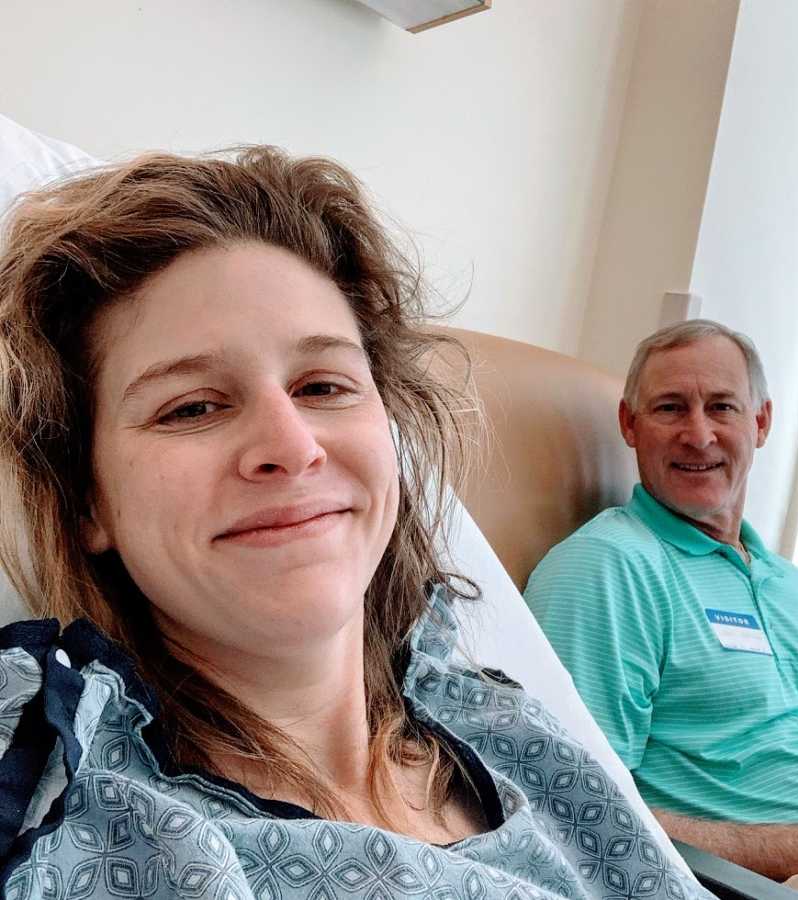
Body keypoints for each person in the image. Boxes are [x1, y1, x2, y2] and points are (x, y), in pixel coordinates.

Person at [0, 148, 711, 900]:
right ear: (89, 503)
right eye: (193, 407)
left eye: (322, 385)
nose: (292, 446)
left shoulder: (506, 729)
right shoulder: (117, 835)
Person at [524, 319, 798, 884]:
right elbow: (574, 810)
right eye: (671, 408)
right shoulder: (609, 567)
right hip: (792, 881)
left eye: (722, 407)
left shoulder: (796, 588)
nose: (698, 435)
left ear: (761, 422)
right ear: (630, 424)